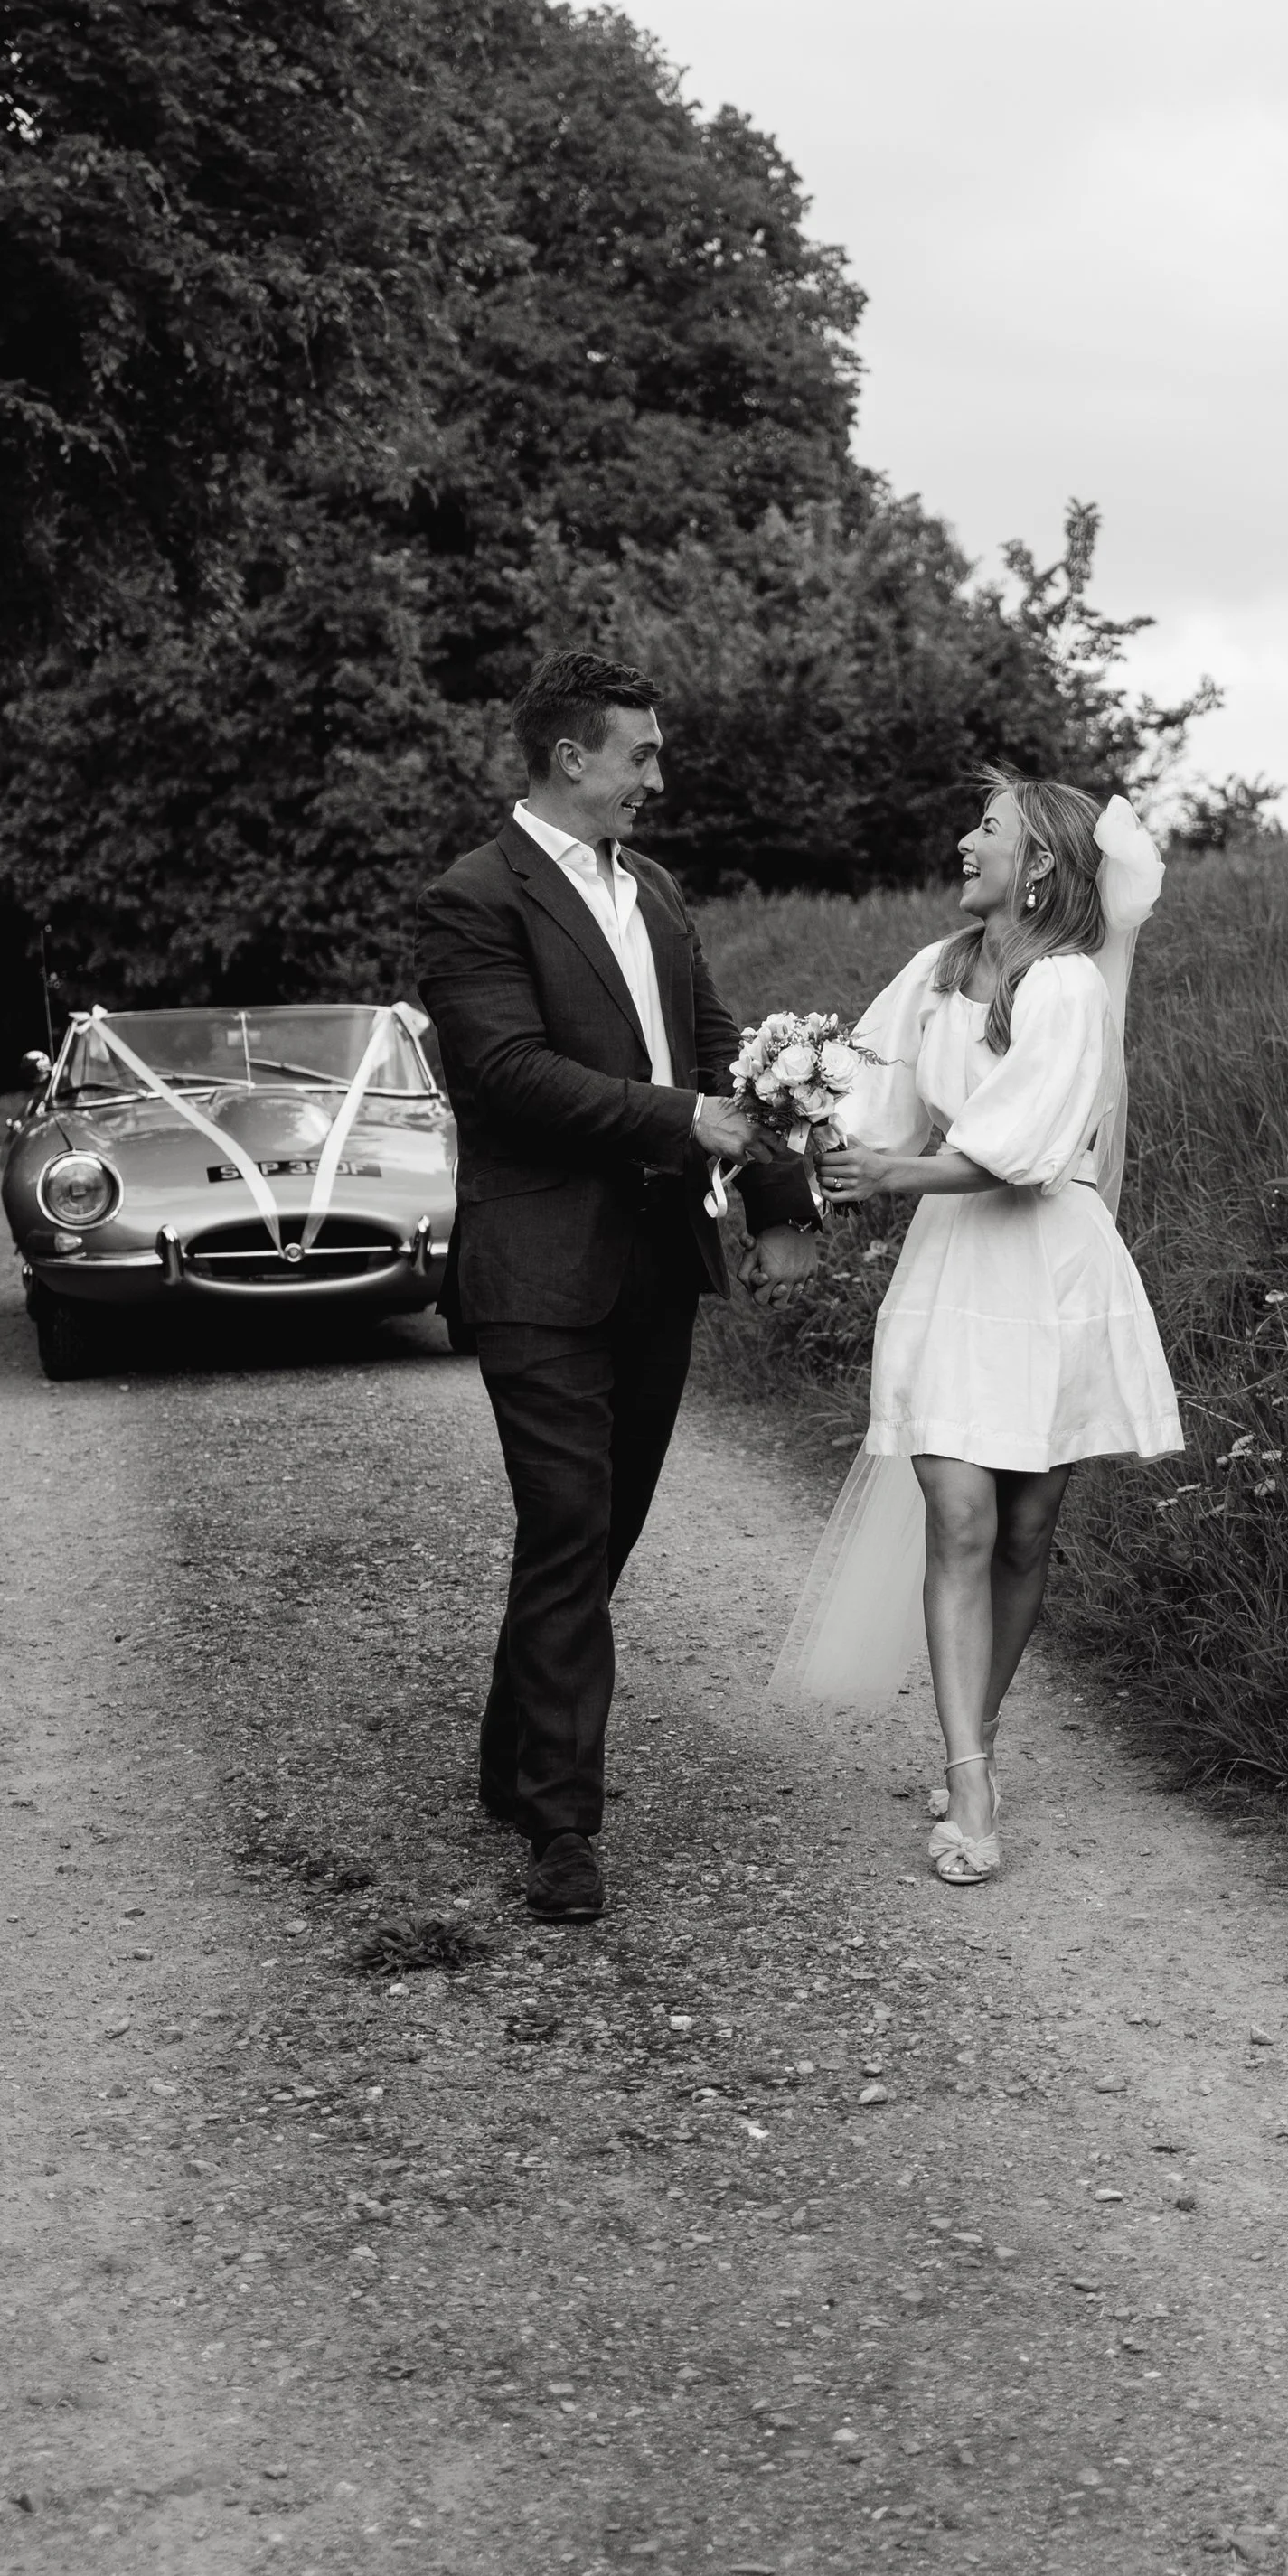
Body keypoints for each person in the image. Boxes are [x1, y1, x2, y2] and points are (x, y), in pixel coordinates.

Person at [415, 649, 772, 1923]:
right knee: (569, 1526)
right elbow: (509, 1070)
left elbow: (714, 1041)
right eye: (643, 753)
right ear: (573, 758)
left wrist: (777, 1153)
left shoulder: (657, 889)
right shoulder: (474, 897)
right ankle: (564, 1826)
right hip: (537, 1269)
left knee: (601, 1532)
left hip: (659, 1262)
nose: (657, 777)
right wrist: (684, 1116)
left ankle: (514, 1754)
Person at [787, 772, 1180, 1884]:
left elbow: (1025, 1145)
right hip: (954, 1263)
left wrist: (895, 1171)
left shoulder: (1063, 990)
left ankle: (982, 1732)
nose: (964, 843)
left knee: (1023, 1526)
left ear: (1042, 864)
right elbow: (868, 1099)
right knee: (958, 1513)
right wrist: (812, 1120)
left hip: (1046, 1264)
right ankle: (968, 1779)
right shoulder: (933, 973)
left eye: (989, 830)